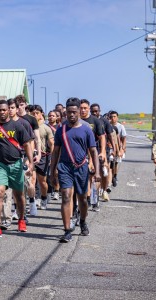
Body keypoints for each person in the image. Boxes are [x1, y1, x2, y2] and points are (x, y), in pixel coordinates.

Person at [50, 99, 100, 243]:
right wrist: (52, 171)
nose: (71, 115)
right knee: (66, 196)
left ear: (79, 112)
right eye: (69, 112)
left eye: (74, 112)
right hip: (65, 167)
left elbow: (93, 151)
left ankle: (83, 221)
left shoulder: (86, 130)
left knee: (83, 199)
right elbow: (55, 152)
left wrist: (96, 171)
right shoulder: (61, 130)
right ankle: (67, 230)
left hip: (82, 167)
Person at [0, 99, 34, 238]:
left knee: (19, 196)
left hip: (17, 165)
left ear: (8, 111)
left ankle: (21, 219)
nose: (2, 112)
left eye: (4, 110)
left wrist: (31, 163)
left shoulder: (18, 126)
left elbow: (27, 145)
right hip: (0, 165)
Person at [14, 94, 42, 216]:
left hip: (29, 153)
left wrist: (38, 153)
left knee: (28, 181)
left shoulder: (31, 119)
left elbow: (37, 138)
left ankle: (32, 202)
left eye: (21, 105)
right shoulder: (12, 119)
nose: (19, 107)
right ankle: (17, 209)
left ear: (25, 105)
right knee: (17, 183)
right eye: (17, 105)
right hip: (15, 153)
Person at [90, 103, 116, 202]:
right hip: (92, 149)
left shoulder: (104, 121)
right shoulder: (88, 121)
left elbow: (110, 135)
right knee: (94, 172)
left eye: (96, 111)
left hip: (103, 149)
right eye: (92, 111)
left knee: (104, 171)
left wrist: (114, 149)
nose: (94, 113)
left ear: (99, 111)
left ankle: (104, 190)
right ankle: (93, 194)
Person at [32, 105, 54, 210]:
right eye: (33, 113)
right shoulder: (28, 126)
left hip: (43, 157)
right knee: (31, 180)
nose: (35, 115)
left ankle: (44, 197)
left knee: (42, 181)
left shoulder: (46, 128)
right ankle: (34, 200)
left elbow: (51, 143)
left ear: (41, 114)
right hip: (30, 156)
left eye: (37, 113)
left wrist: (53, 158)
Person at [109, 111, 127, 187]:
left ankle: (114, 176)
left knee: (115, 163)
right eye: (111, 117)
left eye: (114, 116)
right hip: (110, 147)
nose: (113, 118)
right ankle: (110, 177)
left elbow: (124, 139)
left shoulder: (120, 126)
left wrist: (122, 149)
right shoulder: (108, 125)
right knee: (110, 164)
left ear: (117, 117)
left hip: (118, 147)